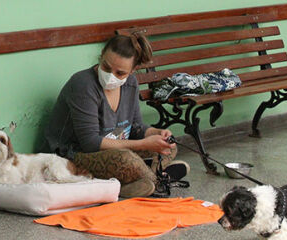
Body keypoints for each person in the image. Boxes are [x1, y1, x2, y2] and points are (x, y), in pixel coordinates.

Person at [40, 33, 189, 198]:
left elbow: (136, 127)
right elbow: (90, 143)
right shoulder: (83, 85)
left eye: (120, 73)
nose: (111, 76)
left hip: (115, 148)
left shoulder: (130, 84)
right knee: (126, 159)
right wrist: (143, 144)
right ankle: (157, 179)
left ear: (133, 70)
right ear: (101, 55)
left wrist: (156, 133)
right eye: (106, 66)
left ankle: (139, 181)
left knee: (168, 145)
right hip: (72, 156)